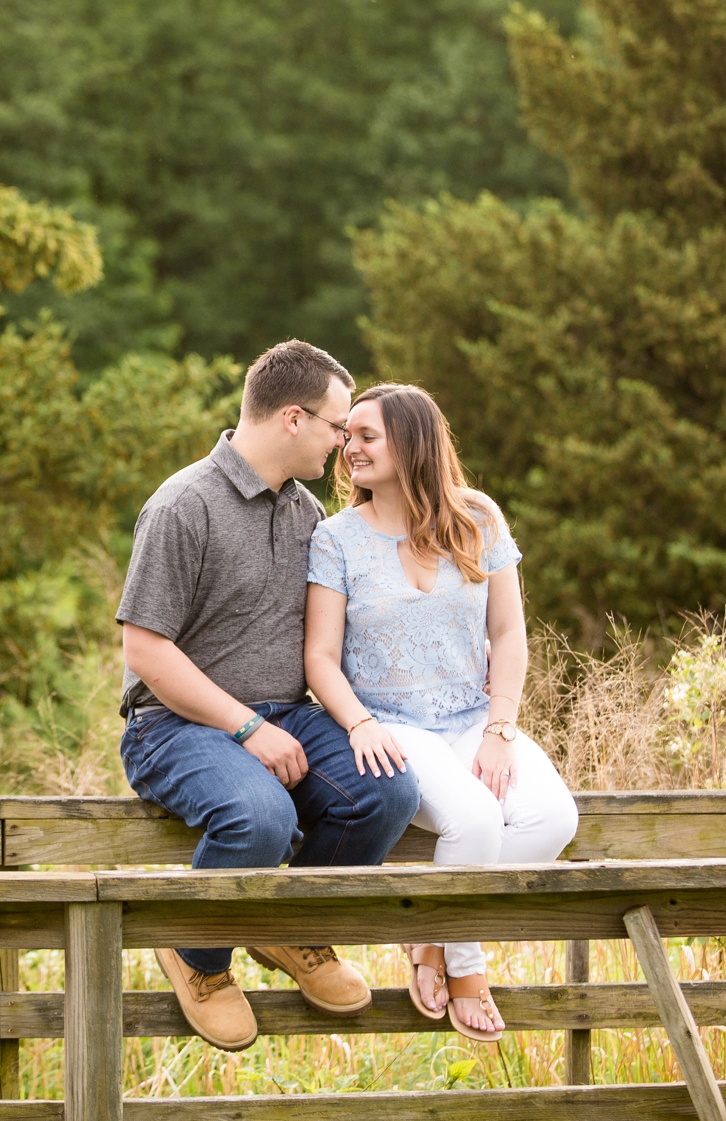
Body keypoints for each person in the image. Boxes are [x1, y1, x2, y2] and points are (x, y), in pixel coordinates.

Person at [117, 341, 424, 1052]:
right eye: (337, 425)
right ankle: (197, 955)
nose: (345, 441)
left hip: (287, 715)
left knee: (387, 789)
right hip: (173, 724)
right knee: (260, 815)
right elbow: (146, 651)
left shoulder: (305, 511)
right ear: (293, 417)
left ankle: (289, 926)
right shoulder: (183, 504)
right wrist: (248, 727)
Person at [303, 382, 579, 1043]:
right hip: (389, 726)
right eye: (347, 436)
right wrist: (359, 723)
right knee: (476, 819)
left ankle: (430, 934)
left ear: (414, 441)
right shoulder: (334, 537)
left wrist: (501, 727)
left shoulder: (479, 519)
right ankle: (469, 968)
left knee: (553, 817)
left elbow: (509, 634)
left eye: (367, 435)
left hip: (472, 719)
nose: (350, 448)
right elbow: (320, 655)